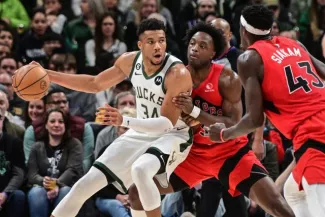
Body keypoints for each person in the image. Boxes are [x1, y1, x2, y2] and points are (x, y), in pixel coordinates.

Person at [20, 18, 192, 217]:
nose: (158, 47)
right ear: (140, 45)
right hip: (141, 132)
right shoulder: (129, 61)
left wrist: (124, 120)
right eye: (151, 41)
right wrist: (48, 74)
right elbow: (94, 84)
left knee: (141, 170)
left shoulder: (177, 73)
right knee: (84, 184)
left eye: (161, 41)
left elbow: (165, 124)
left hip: (172, 135)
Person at [127, 22, 295, 217]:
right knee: (136, 192)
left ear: (214, 53)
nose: (194, 49)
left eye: (202, 46)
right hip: (192, 155)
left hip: (229, 153)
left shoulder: (227, 79)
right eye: (192, 43)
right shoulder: (176, 76)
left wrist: (195, 112)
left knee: (277, 206)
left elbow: (234, 123)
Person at [207, 4, 325, 217]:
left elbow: (254, 119)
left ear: (243, 30)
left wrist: (225, 134)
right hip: (315, 128)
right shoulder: (295, 44)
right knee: (293, 192)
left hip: (314, 136)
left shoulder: (249, 59)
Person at [27, 108, 83, 217]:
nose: (56, 125)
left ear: (65, 125)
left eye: (61, 122)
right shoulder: (37, 147)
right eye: (52, 121)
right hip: (41, 187)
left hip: (66, 186)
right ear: (46, 125)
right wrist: (43, 181)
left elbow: (73, 170)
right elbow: (31, 174)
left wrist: (57, 184)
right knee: (36, 193)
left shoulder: (75, 144)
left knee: (65, 191)